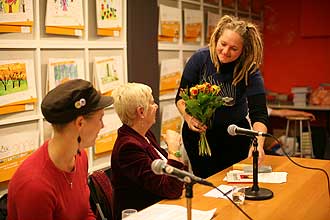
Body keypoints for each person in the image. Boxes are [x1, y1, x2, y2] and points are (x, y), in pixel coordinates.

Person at [175, 15, 268, 178]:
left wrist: (257, 145)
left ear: (243, 50)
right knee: (206, 185)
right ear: (216, 39)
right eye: (223, 44)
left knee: (232, 184)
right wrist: (189, 119)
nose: (225, 52)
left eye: (234, 49)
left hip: (234, 137)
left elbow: (259, 114)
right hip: (199, 137)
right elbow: (181, 99)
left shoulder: (249, 69)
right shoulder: (200, 59)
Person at [7, 79, 114, 220]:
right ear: (80, 123)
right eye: (100, 119)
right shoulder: (35, 186)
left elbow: (84, 212)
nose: (102, 126)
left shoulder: (80, 157)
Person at [111, 83, 186, 220]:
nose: (156, 106)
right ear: (141, 112)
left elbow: (176, 178)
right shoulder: (128, 148)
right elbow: (171, 189)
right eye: (152, 103)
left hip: (163, 208)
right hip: (144, 214)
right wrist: (174, 149)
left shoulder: (145, 135)